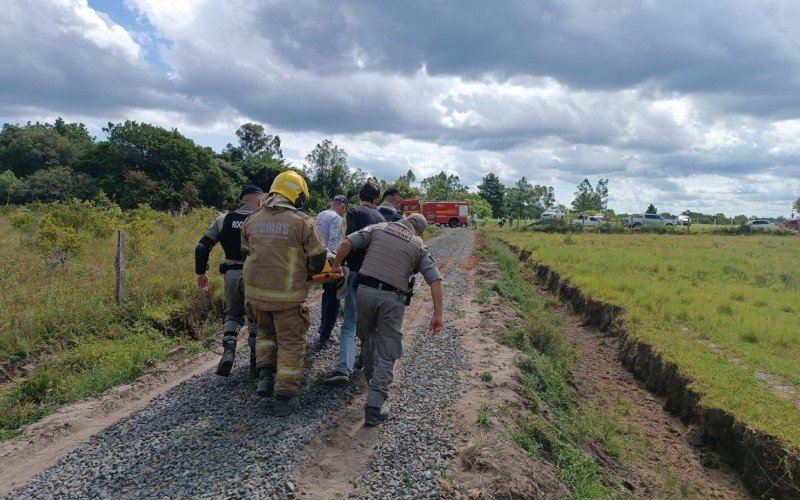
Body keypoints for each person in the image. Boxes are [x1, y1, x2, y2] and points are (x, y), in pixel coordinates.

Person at [330, 213, 443, 427]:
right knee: (387, 350)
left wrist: (336, 266)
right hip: (392, 298)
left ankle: (372, 382)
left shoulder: (377, 228)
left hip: (364, 291)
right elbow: (435, 279)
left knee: (368, 340)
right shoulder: (417, 244)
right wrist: (438, 315)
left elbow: (346, 243)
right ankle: (374, 405)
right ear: (417, 230)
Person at [241, 171, 327, 416]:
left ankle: (265, 376)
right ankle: (285, 397)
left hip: (256, 295)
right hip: (287, 298)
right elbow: (319, 257)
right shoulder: (302, 222)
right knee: (291, 342)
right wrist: (310, 273)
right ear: (296, 194)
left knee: (266, 333)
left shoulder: (253, 220)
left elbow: (247, 251)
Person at [195, 185, 264, 378]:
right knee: (255, 319)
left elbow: (201, 247)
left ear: (243, 200)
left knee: (232, 316)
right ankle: (254, 363)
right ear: (259, 200)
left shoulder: (223, 219)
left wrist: (201, 272)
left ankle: (229, 351)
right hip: (255, 275)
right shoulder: (262, 219)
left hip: (231, 274)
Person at [323, 181, 385, 384]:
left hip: (356, 272)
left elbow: (349, 242)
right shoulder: (381, 217)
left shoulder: (354, 212)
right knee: (368, 322)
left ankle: (344, 368)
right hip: (374, 275)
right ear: (376, 199)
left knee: (349, 321)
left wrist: (337, 264)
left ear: (360, 195)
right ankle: (365, 362)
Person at [315, 194, 348, 348]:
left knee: (326, 295)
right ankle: (325, 335)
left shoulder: (321, 214)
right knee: (334, 299)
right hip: (330, 261)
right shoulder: (336, 218)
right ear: (343, 207)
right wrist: (337, 262)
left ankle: (323, 326)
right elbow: (334, 240)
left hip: (319, 259)